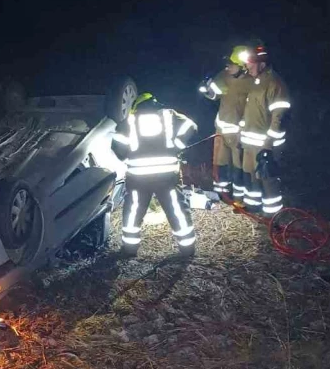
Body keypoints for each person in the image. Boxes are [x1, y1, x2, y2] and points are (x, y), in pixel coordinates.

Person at [111, 93, 198, 257]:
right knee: (176, 208)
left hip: (138, 177)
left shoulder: (128, 121)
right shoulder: (169, 115)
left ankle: (129, 249)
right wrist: (177, 145)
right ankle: (187, 248)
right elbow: (191, 125)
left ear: (136, 106)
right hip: (166, 175)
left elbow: (118, 147)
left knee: (134, 210)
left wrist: (127, 155)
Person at [238, 44, 291, 215]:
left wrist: (269, 145)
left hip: (265, 144)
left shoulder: (275, 83)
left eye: (250, 64)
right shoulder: (255, 81)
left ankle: (273, 215)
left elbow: (279, 117)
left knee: (268, 179)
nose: (246, 67)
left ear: (261, 63)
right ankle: (254, 207)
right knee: (251, 176)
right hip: (249, 143)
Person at [198, 46, 254, 202]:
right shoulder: (223, 76)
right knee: (220, 164)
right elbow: (214, 95)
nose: (227, 67)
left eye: (231, 64)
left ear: (243, 67)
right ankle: (221, 196)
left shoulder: (252, 82)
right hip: (221, 131)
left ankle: (239, 199)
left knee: (238, 167)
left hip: (238, 133)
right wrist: (207, 88)